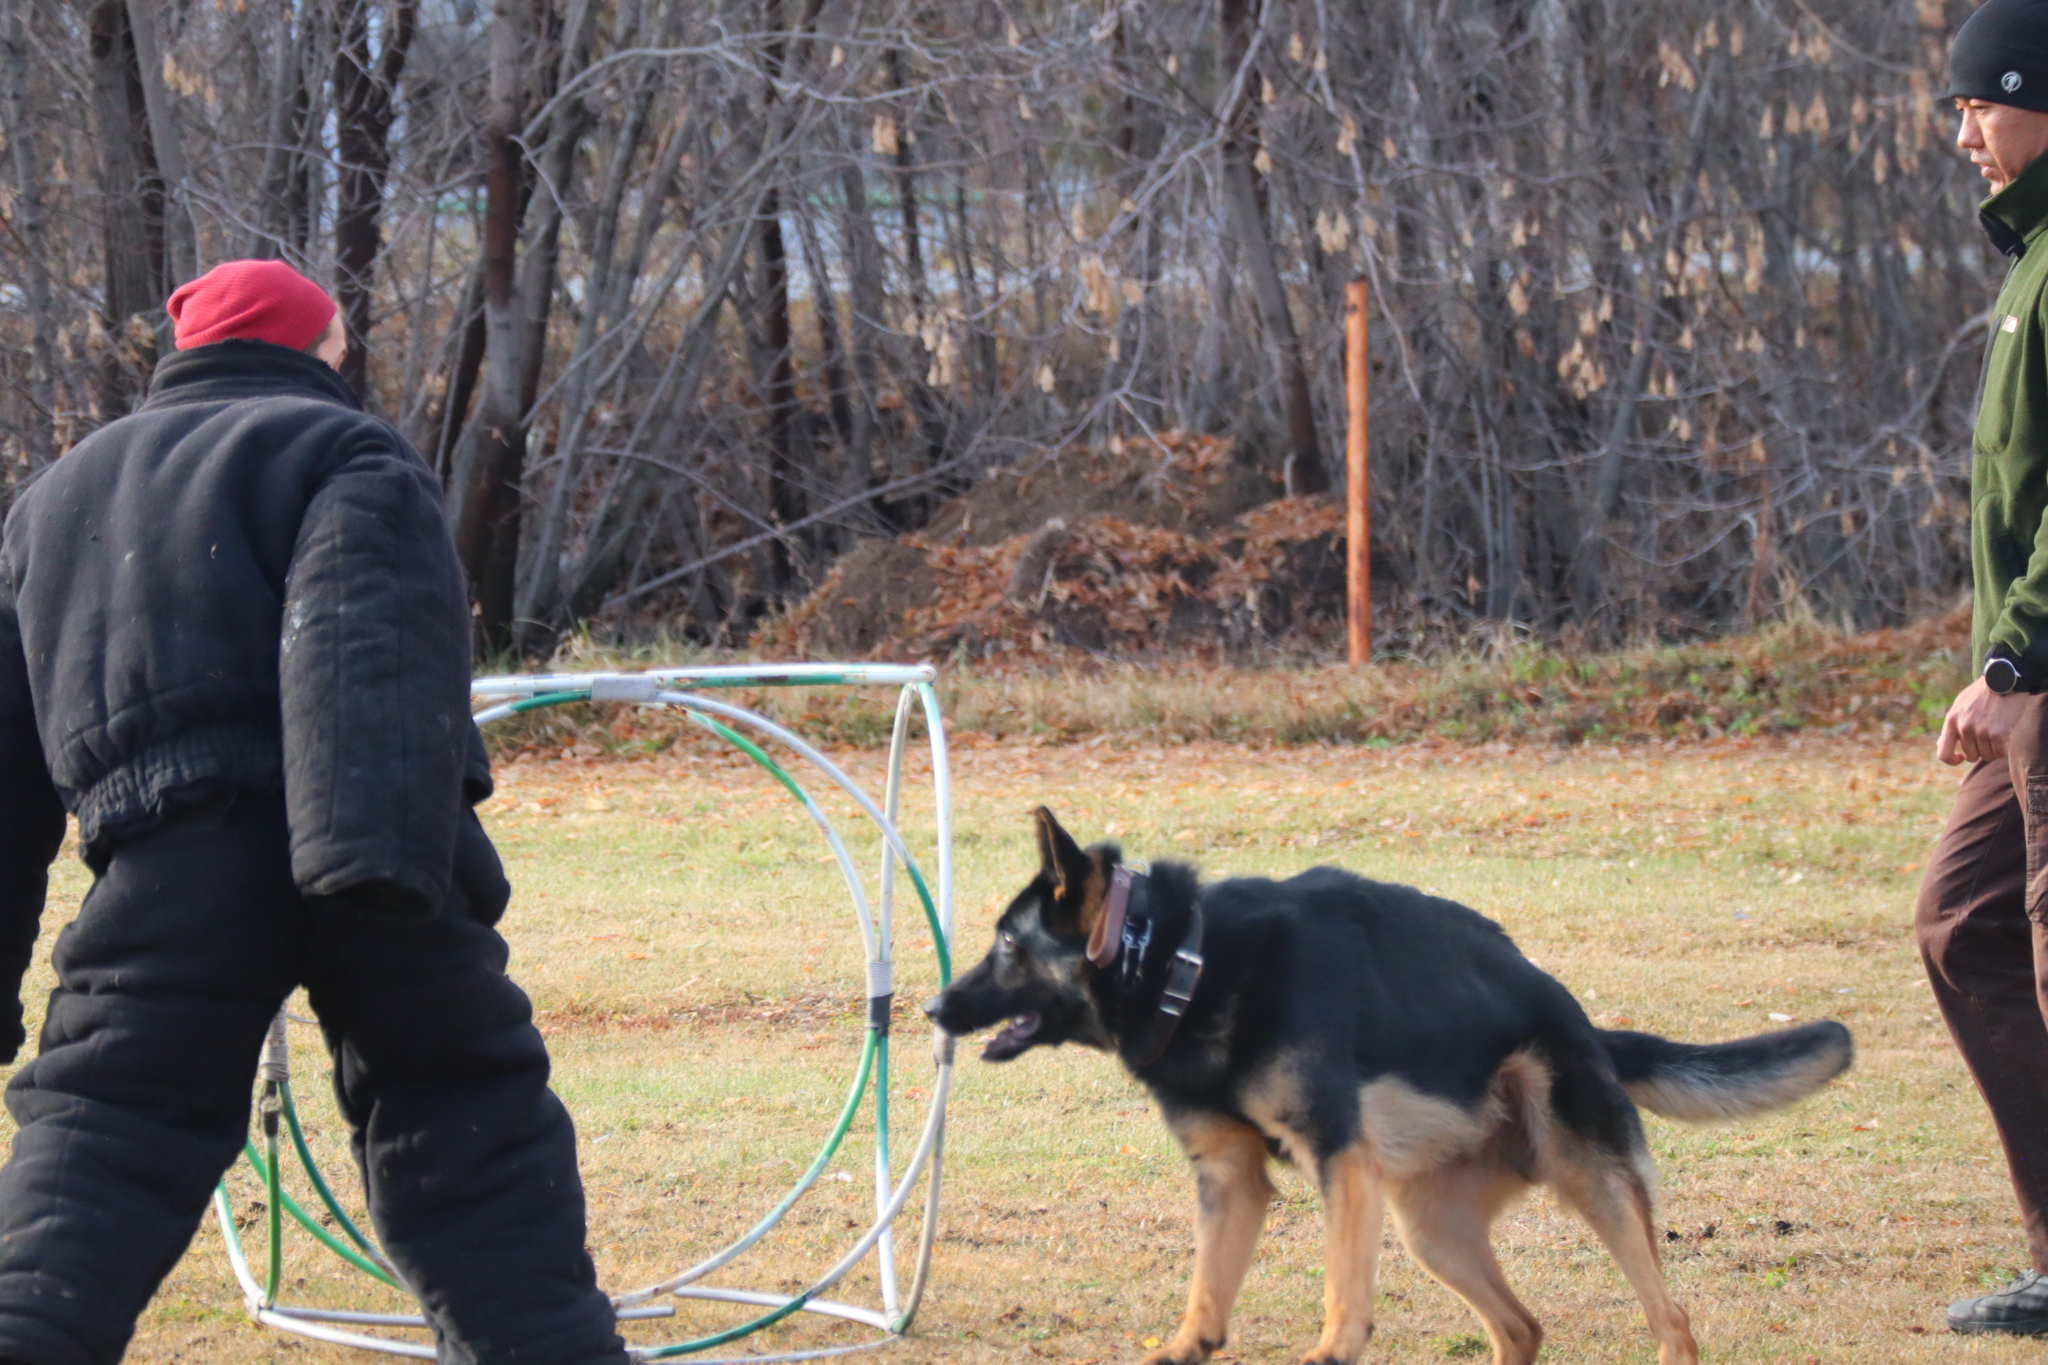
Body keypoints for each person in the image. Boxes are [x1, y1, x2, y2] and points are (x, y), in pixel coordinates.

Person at [0, 259, 628, 1365]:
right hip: (365, 845)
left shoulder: (49, 503)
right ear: (315, 348)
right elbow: (363, 638)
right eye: (342, 347)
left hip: (162, 873)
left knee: (106, 1127)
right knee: (464, 1120)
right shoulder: (344, 450)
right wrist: (370, 873)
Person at [1920, 0, 2048, 1338]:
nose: (1963, 132)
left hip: (2046, 669)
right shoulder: (2032, 258)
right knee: (1964, 925)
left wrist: (2019, 650)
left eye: (1979, 105)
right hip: (2029, 680)